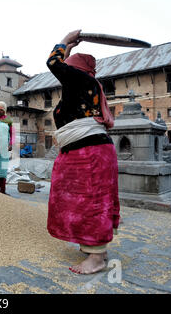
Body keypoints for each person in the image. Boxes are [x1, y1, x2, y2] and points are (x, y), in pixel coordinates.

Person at [46, 30, 120, 275]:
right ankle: (96, 249)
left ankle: (97, 257)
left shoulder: (82, 81)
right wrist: (69, 48)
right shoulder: (82, 85)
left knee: (91, 201)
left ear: (75, 70)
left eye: (69, 67)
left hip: (90, 153)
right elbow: (61, 69)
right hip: (87, 150)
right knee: (81, 199)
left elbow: (53, 63)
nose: (63, 73)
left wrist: (65, 40)